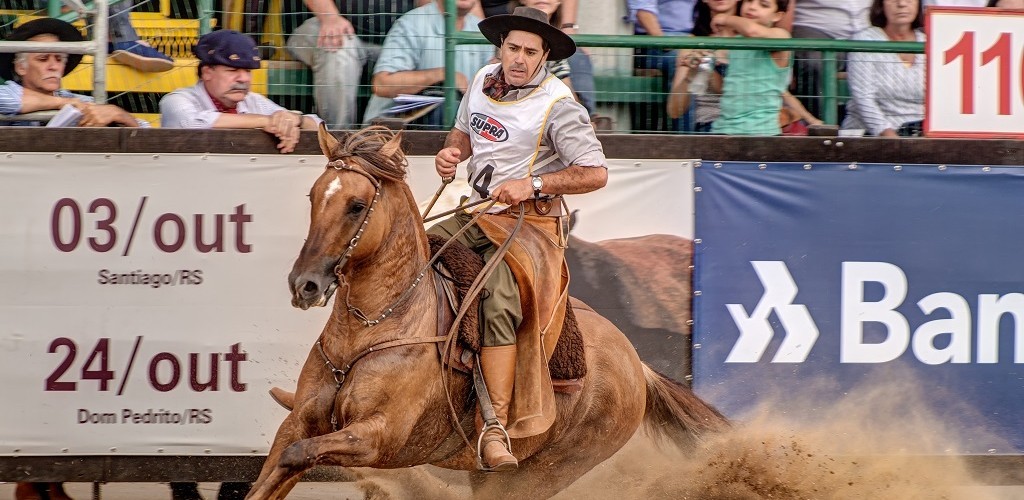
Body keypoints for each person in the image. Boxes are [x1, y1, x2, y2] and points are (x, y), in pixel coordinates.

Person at [432, 6, 607, 471]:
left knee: (500, 298)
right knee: (414, 255)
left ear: (545, 56)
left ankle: (494, 426)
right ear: (501, 47)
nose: (519, 59)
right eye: (513, 48)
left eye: (531, 52)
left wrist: (532, 185)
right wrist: (452, 153)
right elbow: (464, 133)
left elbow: (595, 173)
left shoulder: (559, 103)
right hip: (477, 211)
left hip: (529, 228)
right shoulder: (484, 78)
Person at [159, 30, 322, 154]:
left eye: (248, 71)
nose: (243, 79)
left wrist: (295, 119)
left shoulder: (253, 100)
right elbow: (191, 122)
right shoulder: (176, 99)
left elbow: (319, 126)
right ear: (207, 72)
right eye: (233, 70)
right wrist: (266, 122)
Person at [285, 0, 431, 128]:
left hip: (388, 44)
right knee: (338, 46)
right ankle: (338, 139)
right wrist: (330, 17)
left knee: (419, 57)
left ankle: (374, 139)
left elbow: (427, 7)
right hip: (321, 25)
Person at [362, 0, 493, 127]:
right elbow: (382, 84)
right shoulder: (412, 23)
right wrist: (444, 74)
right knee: (445, 106)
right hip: (390, 129)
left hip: (459, 124)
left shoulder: (480, 28)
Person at [0, 18, 148, 128]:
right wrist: (63, 103)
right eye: (43, 59)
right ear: (21, 67)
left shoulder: (79, 101)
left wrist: (119, 114)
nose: (53, 66)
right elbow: (7, 99)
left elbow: (147, 131)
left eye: (59, 59)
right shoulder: (7, 92)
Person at [841, 0, 924, 137]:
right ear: (881, 5)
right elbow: (864, 98)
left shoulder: (930, 42)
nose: (902, 3)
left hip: (920, 134)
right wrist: (890, 137)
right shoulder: (864, 41)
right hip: (872, 136)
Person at [710, 0, 793, 135]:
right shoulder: (736, 41)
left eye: (763, 5)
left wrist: (726, 18)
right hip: (723, 129)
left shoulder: (781, 35)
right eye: (748, 0)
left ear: (777, 16)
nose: (752, 7)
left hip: (761, 132)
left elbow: (752, 30)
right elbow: (721, 89)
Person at [790, 0, 871, 117]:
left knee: (886, 56)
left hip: (866, 33)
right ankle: (820, 127)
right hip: (815, 30)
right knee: (814, 60)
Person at [626, 0, 697, 131]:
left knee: (702, 61)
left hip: (687, 39)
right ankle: (685, 142)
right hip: (653, 42)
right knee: (685, 61)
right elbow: (643, 12)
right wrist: (667, 42)